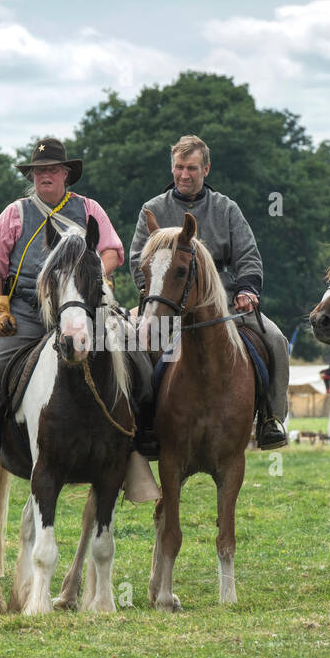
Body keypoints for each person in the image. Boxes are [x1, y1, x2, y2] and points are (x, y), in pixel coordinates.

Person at [0, 137, 124, 497]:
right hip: (27, 312)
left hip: (81, 307)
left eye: (51, 170)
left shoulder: (90, 209)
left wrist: (91, 270)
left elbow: (112, 250)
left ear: (65, 173)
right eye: (38, 171)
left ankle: (135, 449)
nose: (44, 176)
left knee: (133, 359)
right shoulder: (15, 213)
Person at [128, 134, 289, 450]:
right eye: (178, 167)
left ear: (206, 169)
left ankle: (271, 418)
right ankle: (143, 423)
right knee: (130, 344)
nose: (184, 175)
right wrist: (155, 293)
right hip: (166, 302)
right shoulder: (153, 209)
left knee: (276, 340)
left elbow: (248, 255)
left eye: (191, 168)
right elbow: (138, 258)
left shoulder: (226, 208)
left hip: (224, 302)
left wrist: (247, 289)